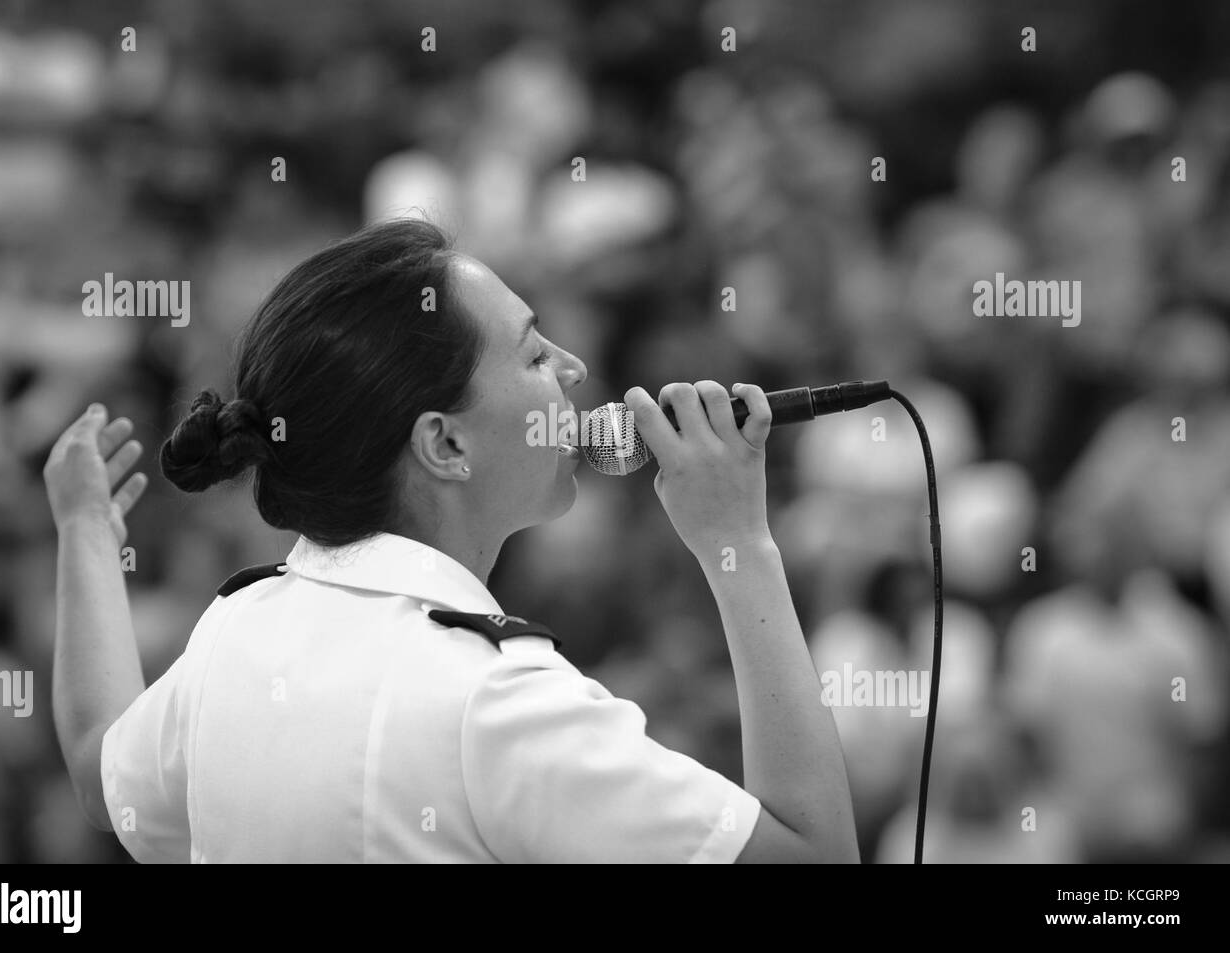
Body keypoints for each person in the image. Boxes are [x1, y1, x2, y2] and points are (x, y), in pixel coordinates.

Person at [42, 218, 859, 863]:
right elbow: (816, 856)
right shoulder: (500, 703)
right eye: (535, 353)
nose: (573, 368)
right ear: (446, 445)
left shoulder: (232, 632)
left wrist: (83, 531)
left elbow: (95, 771)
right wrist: (739, 545)